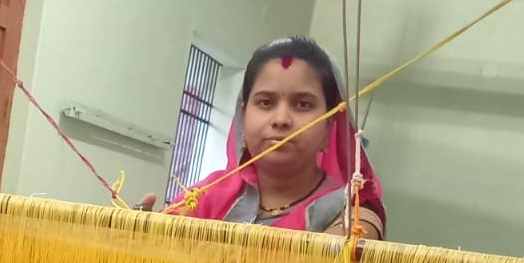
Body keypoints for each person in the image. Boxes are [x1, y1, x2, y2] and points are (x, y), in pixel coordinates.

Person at [141, 37, 385, 238]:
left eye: (302, 104)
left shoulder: (352, 213)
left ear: (329, 127)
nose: (281, 119)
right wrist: (137, 236)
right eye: (266, 102)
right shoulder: (207, 195)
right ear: (243, 117)